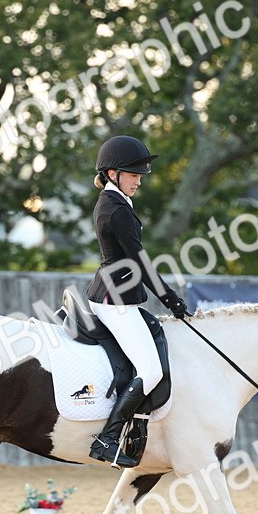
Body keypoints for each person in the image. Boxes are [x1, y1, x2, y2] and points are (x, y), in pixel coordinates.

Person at [85, 135, 190, 467]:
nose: (139, 179)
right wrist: (170, 298)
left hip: (117, 294)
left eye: (140, 174)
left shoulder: (115, 203)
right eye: (133, 174)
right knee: (150, 369)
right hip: (114, 299)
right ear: (113, 173)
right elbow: (140, 263)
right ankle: (108, 437)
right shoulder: (116, 211)